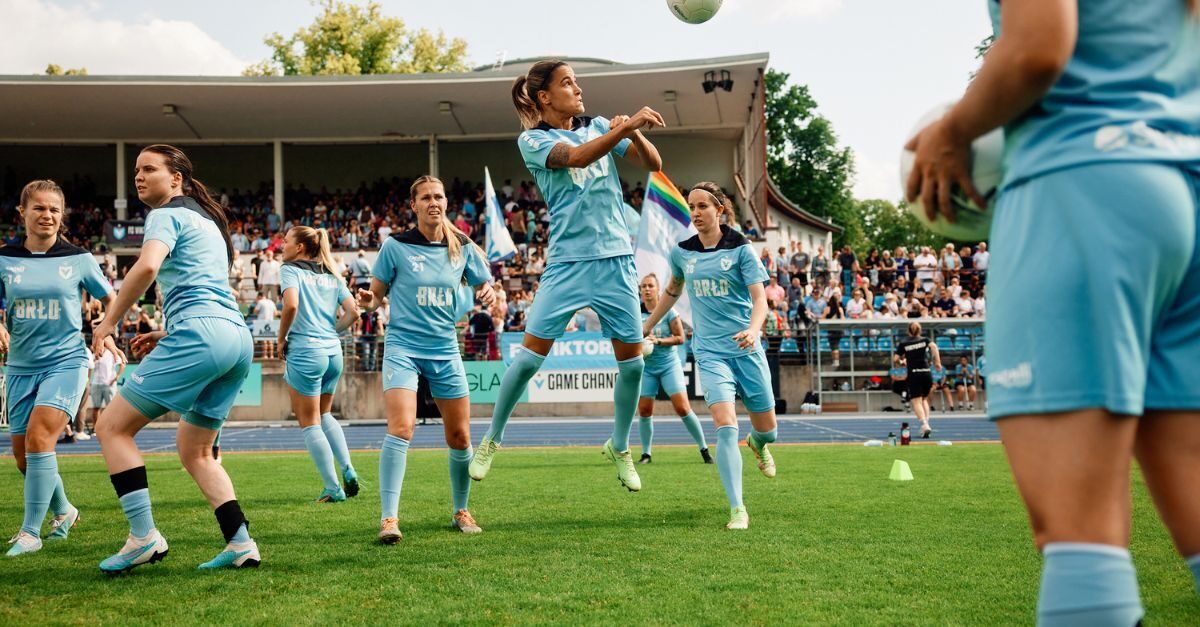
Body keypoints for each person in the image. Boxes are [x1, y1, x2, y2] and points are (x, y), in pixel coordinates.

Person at [905, 2, 1200, 620]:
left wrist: (950, 133)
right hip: (1183, 188)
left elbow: (1040, 44)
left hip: (1083, 184)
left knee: (1077, 535)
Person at [468, 60, 665, 492]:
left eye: (576, 81)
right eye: (567, 82)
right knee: (527, 359)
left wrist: (630, 131)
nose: (578, 88)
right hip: (567, 264)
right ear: (544, 97)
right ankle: (492, 438)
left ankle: (620, 445)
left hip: (615, 259)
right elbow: (576, 157)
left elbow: (653, 163)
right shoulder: (534, 139)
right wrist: (623, 126)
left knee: (632, 365)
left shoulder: (598, 125)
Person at [90, 144, 258, 572]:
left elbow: (146, 268)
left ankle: (143, 537)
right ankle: (240, 543)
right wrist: (170, 331)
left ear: (176, 178)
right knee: (195, 449)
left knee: (111, 427)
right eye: (136, 171)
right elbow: (208, 290)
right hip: (235, 337)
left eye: (149, 169)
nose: (139, 177)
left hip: (204, 333)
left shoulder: (163, 214)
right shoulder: (207, 222)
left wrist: (108, 322)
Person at [358, 176, 497, 543]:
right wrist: (366, 302)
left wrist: (488, 292)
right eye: (425, 197)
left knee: (460, 435)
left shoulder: (463, 246)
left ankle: (461, 509)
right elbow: (375, 296)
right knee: (401, 428)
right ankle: (389, 519)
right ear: (414, 205)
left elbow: (485, 285)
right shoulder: (395, 246)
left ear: (446, 202)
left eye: (438, 196)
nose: (433, 202)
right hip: (403, 347)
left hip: (445, 349)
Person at [643, 182, 778, 530]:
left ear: (720, 210)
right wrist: (648, 325)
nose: (696, 212)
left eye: (703, 206)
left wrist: (754, 329)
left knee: (770, 431)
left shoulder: (742, 251)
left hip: (746, 348)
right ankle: (738, 509)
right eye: (692, 206)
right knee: (725, 427)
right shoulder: (682, 252)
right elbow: (672, 290)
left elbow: (760, 299)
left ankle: (759, 444)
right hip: (710, 351)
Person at [2, 180, 119, 556]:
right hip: (19, 366)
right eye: (39, 208)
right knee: (24, 458)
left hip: (66, 361)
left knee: (40, 440)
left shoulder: (79, 259)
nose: (47, 215)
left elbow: (111, 297)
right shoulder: (4, 258)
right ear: (22, 213)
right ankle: (64, 510)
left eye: (54, 209)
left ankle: (30, 533)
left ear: (62, 215)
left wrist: (106, 330)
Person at [277, 226, 361, 503]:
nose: (282, 245)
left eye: (286, 241)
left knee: (309, 422)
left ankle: (333, 487)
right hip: (332, 352)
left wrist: (281, 339)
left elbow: (290, 306)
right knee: (325, 415)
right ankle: (348, 469)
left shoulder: (290, 270)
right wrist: (332, 331)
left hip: (306, 351)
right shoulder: (331, 275)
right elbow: (353, 312)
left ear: (300, 247)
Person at [635, 273, 712, 465]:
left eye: (650, 286)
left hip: (669, 365)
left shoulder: (669, 311)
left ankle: (704, 449)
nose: (646, 289)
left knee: (682, 407)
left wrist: (658, 341)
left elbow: (680, 338)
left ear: (658, 289)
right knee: (644, 410)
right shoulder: (636, 313)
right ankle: (646, 454)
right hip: (647, 368)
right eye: (643, 286)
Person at [895, 321, 942, 438]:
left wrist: (902, 362)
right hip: (926, 373)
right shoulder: (925, 340)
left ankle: (924, 424)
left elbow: (895, 359)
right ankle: (926, 424)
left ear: (908, 331)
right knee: (924, 399)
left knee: (916, 401)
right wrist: (937, 362)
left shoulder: (904, 343)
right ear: (920, 330)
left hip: (914, 373)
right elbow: (934, 347)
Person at [89, 343, 124, 435]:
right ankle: (95, 428)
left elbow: (122, 364)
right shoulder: (94, 355)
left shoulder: (112, 354)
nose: (97, 346)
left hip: (109, 384)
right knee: (96, 408)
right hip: (96, 383)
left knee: (110, 408)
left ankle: (110, 428)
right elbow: (90, 366)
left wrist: (117, 377)